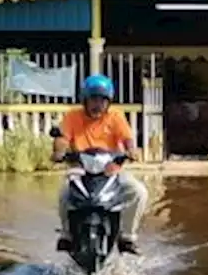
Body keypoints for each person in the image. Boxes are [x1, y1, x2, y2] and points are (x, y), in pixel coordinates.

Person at [52, 74, 148, 255]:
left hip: (110, 169)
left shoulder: (116, 116)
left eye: (102, 100)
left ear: (108, 102)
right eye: (93, 99)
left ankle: (127, 237)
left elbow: (128, 139)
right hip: (80, 168)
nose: (98, 105)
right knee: (65, 193)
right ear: (85, 100)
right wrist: (59, 152)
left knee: (139, 192)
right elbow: (62, 139)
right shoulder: (73, 116)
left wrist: (131, 150)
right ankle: (67, 235)